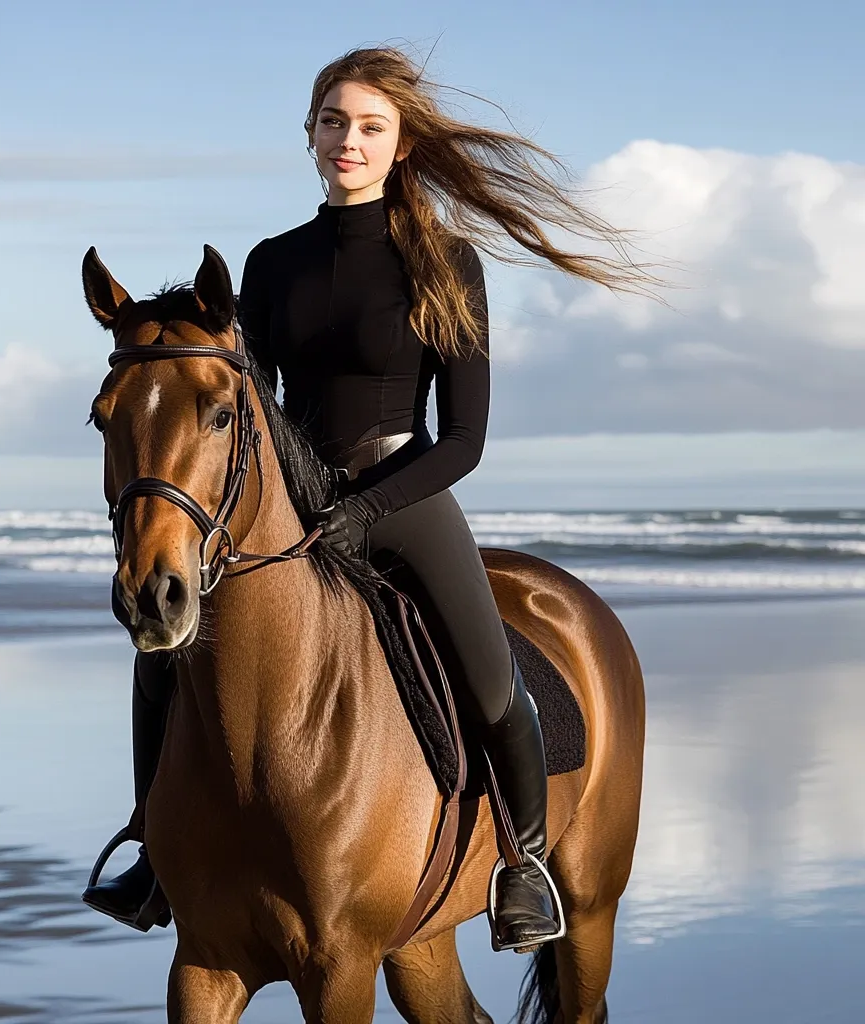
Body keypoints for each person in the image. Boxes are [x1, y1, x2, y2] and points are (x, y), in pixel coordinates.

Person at [83, 45, 648, 951]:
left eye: (370, 126)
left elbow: (464, 438)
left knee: (491, 672)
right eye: (334, 122)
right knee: (163, 652)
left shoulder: (443, 262)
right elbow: (243, 409)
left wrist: (367, 509)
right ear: (309, 135)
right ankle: (157, 847)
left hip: (403, 488)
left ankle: (526, 863)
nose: (350, 139)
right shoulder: (268, 265)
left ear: (401, 145)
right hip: (290, 502)